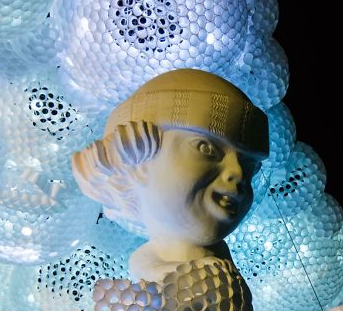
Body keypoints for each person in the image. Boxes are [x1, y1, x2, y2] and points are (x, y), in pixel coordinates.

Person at [72, 68, 269, 282]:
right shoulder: (148, 263)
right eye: (206, 148)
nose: (238, 173)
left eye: (250, 167)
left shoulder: (221, 260)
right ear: (140, 164)